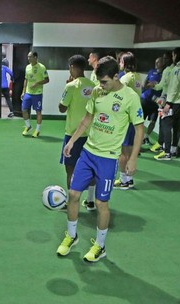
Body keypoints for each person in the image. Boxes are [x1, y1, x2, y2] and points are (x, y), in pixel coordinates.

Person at [56, 56, 144, 262]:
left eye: (104, 82)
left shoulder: (130, 97)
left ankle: (100, 245)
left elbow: (139, 129)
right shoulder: (96, 91)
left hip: (108, 158)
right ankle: (71, 235)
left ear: (116, 77)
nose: (101, 86)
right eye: (99, 82)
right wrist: (71, 142)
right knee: (74, 193)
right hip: (88, 152)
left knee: (101, 203)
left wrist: (132, 158)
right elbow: (87, 118)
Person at [59, 55, 97, 211]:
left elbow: (62, 108)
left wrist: (67, 87)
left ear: (72, 67)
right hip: (91, 135)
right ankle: (90, 200)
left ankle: (71, 203)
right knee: (92, 169)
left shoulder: (71, 86)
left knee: (70, 169)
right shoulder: (94, 86)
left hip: (73, 135)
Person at [115, 51, 143, 190]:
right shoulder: (137, 77)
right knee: (130, 149)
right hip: (135, 118)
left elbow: (118, 96)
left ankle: (123, 180)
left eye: (120, 62)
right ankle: (129, 179)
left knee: (123, 151)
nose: (119, 64)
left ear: (125, 63)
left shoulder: (125, 79)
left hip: (126, 119)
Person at [155, 48, 180, 161]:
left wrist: (168, 103)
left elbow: (174, 87)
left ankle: (167, 152)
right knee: (176, 125)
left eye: (173, 55)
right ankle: (173, 150)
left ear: (176, 56)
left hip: (175, 101)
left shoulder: (177, 69)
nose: (172, 58)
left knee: (165, 122)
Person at [21, 51, 49, 138]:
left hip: (37, 94)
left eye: (30, 57)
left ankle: (37, 130)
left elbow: (47, 80)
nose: (29, 58)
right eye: (28, 57)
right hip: (28, 93)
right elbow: (26, 79)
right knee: (24, 109)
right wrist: (23, 91)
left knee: (38, 112)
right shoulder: (27, 67)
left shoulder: (42, 67)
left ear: (35, 57)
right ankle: (28, 126)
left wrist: (37, 83)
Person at [149, 52, 173, 153]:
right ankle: (162, 145)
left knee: (165, 124)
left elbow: (161, 86)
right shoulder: (175, 69)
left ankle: (165, 149)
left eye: (166, 58)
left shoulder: (168, 70)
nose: (164, 61)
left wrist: (154, 85)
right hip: (171, 100)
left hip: (167, 99)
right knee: (165, 123)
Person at [140, 57, 164, 146]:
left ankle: (146, 137)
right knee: (140, 121)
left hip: (155, 102)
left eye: (158, 62)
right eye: (155, 62)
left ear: (162, 63)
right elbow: (144, 84)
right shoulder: (151, 71)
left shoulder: (164, 74)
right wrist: (148, 85)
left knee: (153, 121)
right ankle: (139, 137)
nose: (156, 63)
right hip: (145, 99)